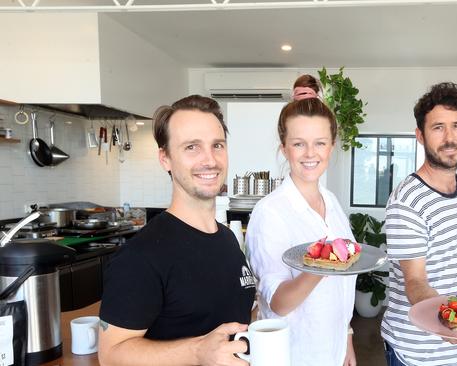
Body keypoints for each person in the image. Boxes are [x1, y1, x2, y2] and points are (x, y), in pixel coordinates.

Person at [98, 95, 255, 366]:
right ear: (165, 158)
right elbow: (111, 355)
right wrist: (196, 352)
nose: (210, 160)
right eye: (192, 147)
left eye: (217, 145)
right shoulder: (141, 256)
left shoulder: (227, 238)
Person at [246, 74, 357, 366]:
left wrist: (346, 339)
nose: (310, 154)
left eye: (320, 143)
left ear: (331, 146)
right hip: (294, 355)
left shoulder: (331, 203)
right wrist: (325, 265)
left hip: (332, 351)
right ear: (284, 147)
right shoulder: (271, 213)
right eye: (299, 144)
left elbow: (341, 289)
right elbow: (278, 303)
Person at [381, 82, 457, 366]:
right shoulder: (407, 200)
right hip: (417, 353)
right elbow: (415, 281)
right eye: (438, 127)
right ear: (420, 135)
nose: (449, 137)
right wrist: (447, 322)